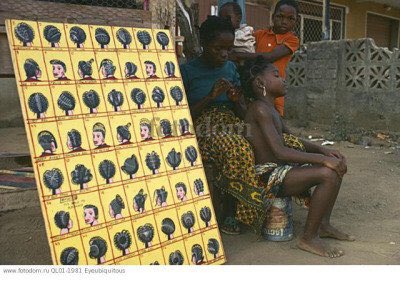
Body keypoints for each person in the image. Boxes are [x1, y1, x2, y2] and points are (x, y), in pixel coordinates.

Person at [241, 56, 354, 258]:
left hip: (281, 171)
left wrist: (324, 150)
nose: (283, 78)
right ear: (260, 82)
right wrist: (323, 160)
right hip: (268, 177)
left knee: (335, 167)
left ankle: (323, 225)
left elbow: (292, 139)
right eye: (276, 75)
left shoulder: (271, 109)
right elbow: (280, 152)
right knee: (328, 173)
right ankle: (308, 239)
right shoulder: (258, 109)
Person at [180, 16, 253, 235]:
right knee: (237, 148)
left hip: (230, 120)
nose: (224, 54)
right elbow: (183, 116)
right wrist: (211, 96)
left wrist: (235, 98)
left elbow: (242, 111)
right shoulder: (187, 71)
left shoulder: (230, 68)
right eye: (217, 48)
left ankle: (260, 206)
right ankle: (231, 212)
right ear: (204, 45)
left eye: (228, 49)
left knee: (266, 140)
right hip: (203, 125)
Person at [231, 0, 300, 116]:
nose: (284, 22)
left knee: (273, 120)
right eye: (280, 16)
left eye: (290, 19)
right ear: (273, 17)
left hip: (273, 90)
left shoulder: (292, 40)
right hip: (252, 87)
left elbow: (270, 57)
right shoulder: (259, 34)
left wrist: (237, 55)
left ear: (296, 21)